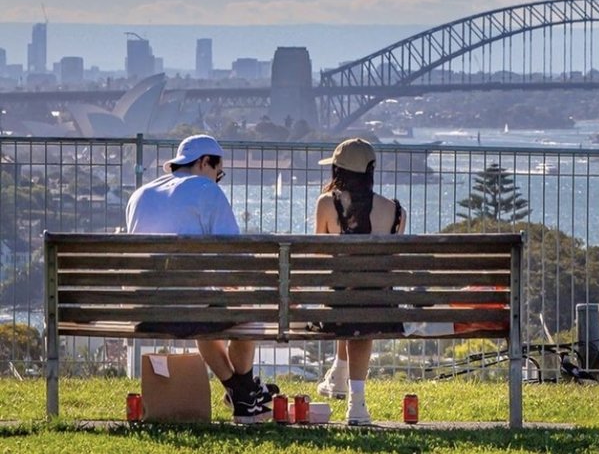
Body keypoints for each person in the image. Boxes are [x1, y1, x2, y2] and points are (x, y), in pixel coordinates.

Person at [125, 134, 278, 424]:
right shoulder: (206, 191)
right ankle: (245, 392)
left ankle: (241, 392)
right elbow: (236, 257)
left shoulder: (139, 195)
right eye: (218, 174)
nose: (217, 181)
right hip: (192, 308)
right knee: (250, 315)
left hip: (147, 310)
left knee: (202, 309)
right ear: (205, 162)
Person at [314, 137, 406, 425]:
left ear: (338, 171)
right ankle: (355, 400)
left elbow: (319, 256)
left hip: (338, 305)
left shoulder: (328, 204)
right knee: (361, 299)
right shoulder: (397, 212)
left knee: (346, 293)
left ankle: (342, 379)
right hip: (381, 307)